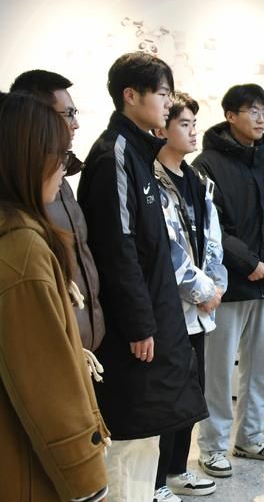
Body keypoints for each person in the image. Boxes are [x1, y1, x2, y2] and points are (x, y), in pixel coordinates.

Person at [77, 52, 208, 501]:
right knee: (131, 433)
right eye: (163, 93)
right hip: (136, 327)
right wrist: (138, 324)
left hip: (157, 314)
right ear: (130, 96)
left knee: (150, 430)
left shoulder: (139, 151)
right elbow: (117, 247)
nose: (169, 103)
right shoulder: (114, 153)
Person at [0, 91, 109, 502]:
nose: (65, 167)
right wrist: (87, 479)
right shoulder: (22, 249)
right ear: (26, 158)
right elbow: (47, 385)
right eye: (60, 155)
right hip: (31, 470)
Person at [193, 84, 264, 477]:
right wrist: (248, 262)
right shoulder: (206, 164)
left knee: (263, 366)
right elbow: (212, 227)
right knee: (218, 371)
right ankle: (213, 446)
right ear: (230, 115)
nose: (260, 118)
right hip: (228, 286)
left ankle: (251, 436)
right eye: (252, 110)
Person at [152, 92, 227, 501]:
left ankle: (179, 469)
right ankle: (156, 481)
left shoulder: (198, 180)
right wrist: (202, 290)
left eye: (195, 124)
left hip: (201, 306)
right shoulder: (153, 179)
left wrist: (216, 285)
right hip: (172, 306)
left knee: (190, 390)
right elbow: (167, 248)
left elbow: (213, 238)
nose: (193, 131)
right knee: (167, 394)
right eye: (184, 124)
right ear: (162, 129)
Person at [9, 70, 106, 352]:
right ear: (38, 118)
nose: (76, 124)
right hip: (54, 345)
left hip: (83, 343)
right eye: (68, 114)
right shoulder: (25, 191)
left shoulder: (60, 179)